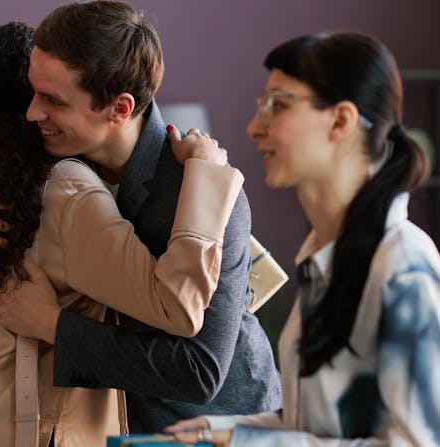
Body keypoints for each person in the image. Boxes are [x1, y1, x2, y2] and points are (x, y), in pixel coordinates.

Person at [0, 0, 282, 435]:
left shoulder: (204, 188)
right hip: (115, 421)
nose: (31, 112)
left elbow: (199, 371)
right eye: (31, 91)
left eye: (52, 100)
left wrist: (52, 324)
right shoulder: (58, 146)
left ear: (119, 108)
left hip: (213, 422)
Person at [165, 32, 440, 446]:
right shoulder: (322, 258)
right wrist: (219, 430)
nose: (254, 128)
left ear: (341, 120)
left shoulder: (402, 263)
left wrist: (247, 443)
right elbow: (318, 427)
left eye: (278, 105)